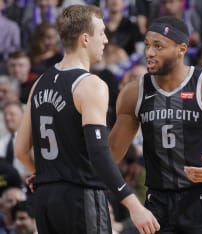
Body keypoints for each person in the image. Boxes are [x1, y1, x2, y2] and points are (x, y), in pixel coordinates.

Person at [14, 5, 159, 234]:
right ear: (84, 38)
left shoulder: (39, 83)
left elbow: (21, 149)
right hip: (80, 198)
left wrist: (48, 175)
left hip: (45, 200)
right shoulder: (90, 85)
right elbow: (99, 152)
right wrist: (132, 204)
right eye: (100, 32)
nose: (105, 39)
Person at [109, 15, 202, 234]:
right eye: (147, 45)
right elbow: (111, 154)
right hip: (157, 202)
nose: (149, 53)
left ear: (181, 49)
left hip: (200, 199)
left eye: (158, 46)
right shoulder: (134, 92)